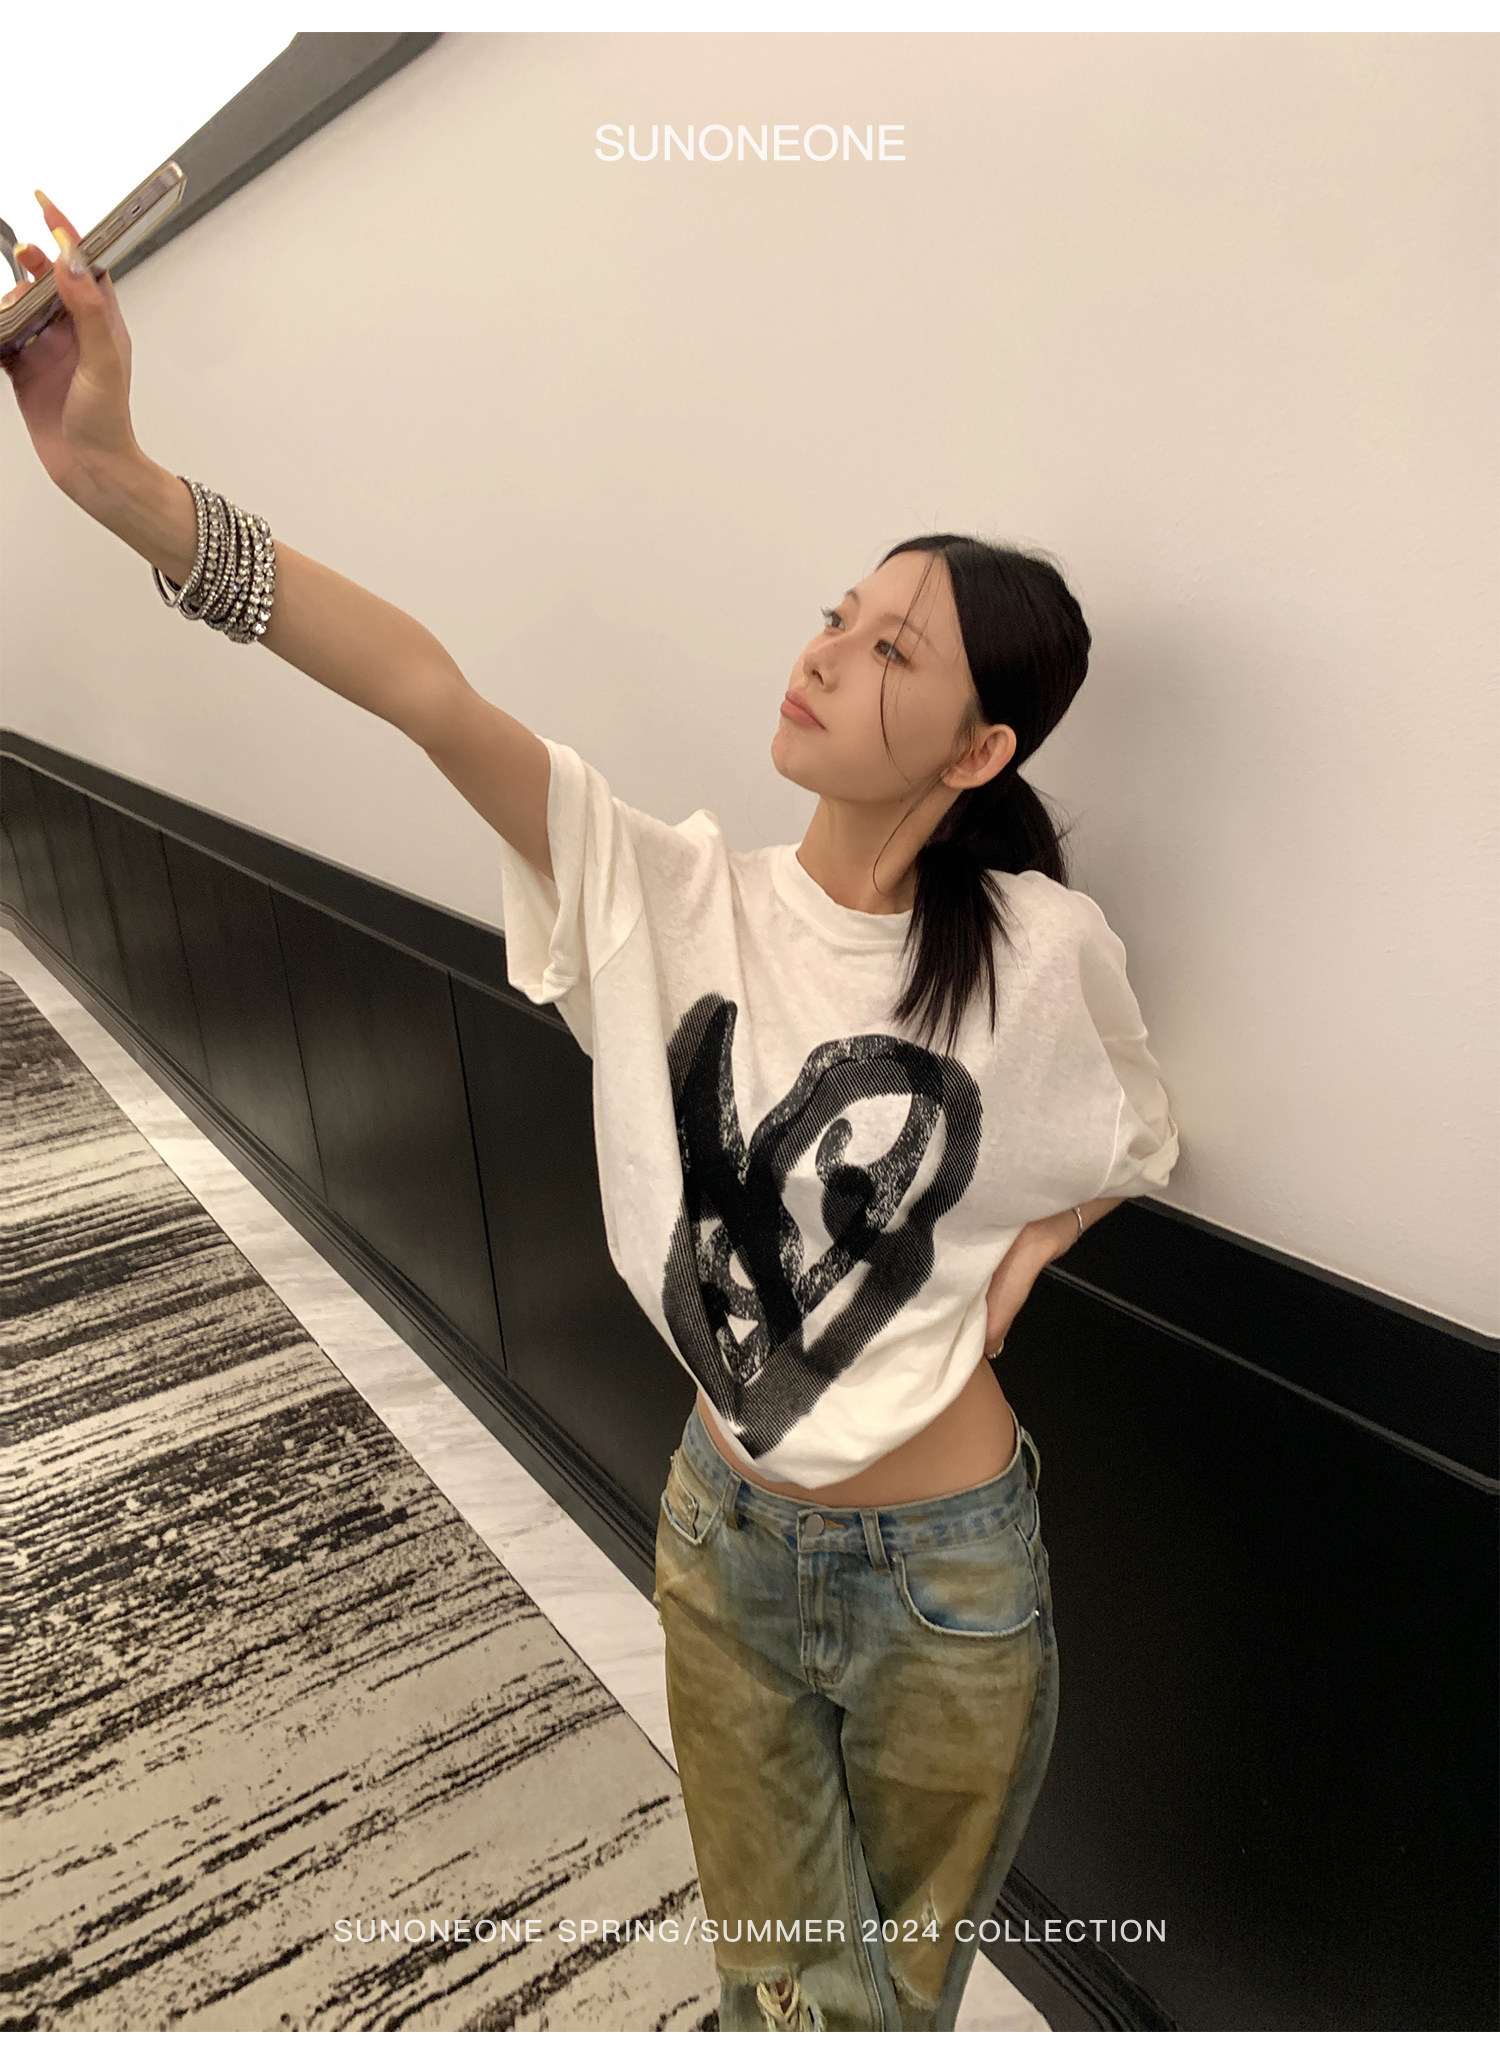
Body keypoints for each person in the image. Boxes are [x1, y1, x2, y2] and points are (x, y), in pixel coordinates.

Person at [3, 198, 1181, 2033]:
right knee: (789, 1996)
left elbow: (1138, 1127)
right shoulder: (664, 895)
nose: (827, 652)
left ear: (980, 753)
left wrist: (1044, 1240)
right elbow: (422, 692)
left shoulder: (1041, 954)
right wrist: (124, 487)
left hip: (953, 1584)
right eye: (841, 614)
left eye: (894, 652)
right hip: (722, 1543)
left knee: (885, 2011)